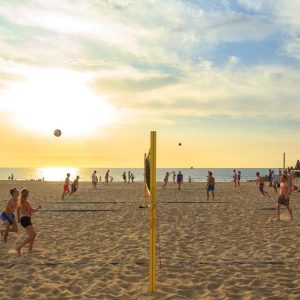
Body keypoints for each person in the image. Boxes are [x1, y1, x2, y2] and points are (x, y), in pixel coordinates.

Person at [16, 189, 42, 256]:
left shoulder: (20, 201)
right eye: (28, 193)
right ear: (26, 194)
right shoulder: (25, 202)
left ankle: (30, 248)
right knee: (32, 235)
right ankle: (19, 247)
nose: (29, 195)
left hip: (24, 219)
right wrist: (38, 208)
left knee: (33, 235)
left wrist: (18, 218)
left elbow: (18, 210)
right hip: (25, 220)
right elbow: (32, 210)